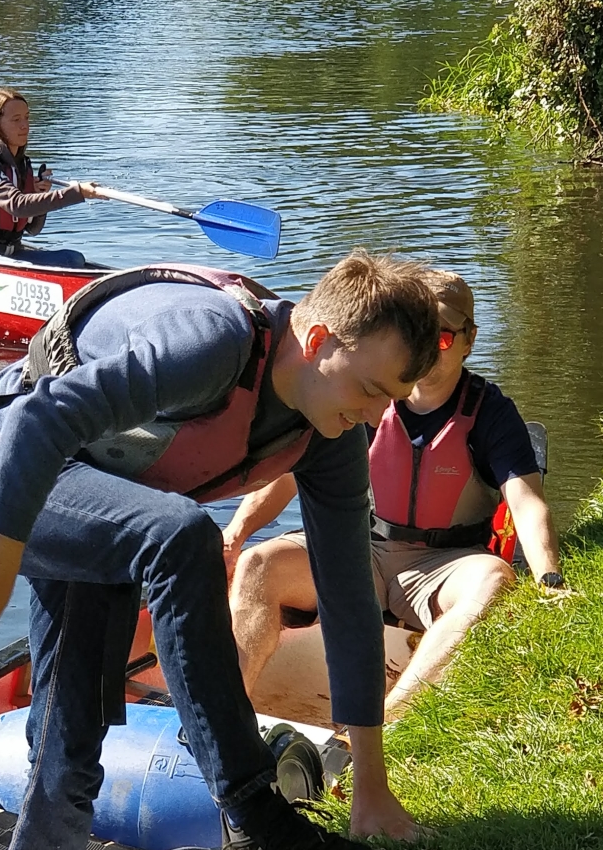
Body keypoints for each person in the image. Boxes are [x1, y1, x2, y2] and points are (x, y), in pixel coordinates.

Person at [0, 250, 441, 850]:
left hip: (104, 501)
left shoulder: (328, 438)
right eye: (369, 390)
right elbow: (33, 423)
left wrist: (370, 782)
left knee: (69, 756)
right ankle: (253, 819)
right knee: (182, 534)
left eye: (389, 403)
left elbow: (352, 600)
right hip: (4, 477)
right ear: (316, 341)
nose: (372, 419)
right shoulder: (211, 341)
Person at [225, 269, 566, 720]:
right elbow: (289, 474)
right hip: (365, 547)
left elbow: (525, 500)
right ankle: (225, 720)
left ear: (469, 339)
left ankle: (383, 728)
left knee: (494, 580)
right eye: (418, 333)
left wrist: (549, 580)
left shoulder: (491, 413)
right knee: (257, 564)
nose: (428, 348)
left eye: (442, 337)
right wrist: (235, 533)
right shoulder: (367, 394)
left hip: (445, 562)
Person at [0, 87, 102, 268]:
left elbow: (33, 230)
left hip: (10, 250)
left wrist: (37, 195)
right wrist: (78, 193)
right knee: (18, 268)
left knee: (73, 259)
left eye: (26, 118)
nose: (24, 125)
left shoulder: (20, 163)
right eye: (16, 120)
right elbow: (16, 205)